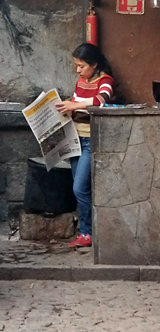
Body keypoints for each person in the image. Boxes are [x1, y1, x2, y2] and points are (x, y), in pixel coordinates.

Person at [56, 42, 114, 249]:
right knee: (80, 188)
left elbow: (101, 100)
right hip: (75, 139)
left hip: (91, 140)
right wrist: (67, 108)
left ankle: (88, 232)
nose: (78, 70)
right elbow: (76, 105)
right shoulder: (81, 82)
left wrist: (75, 105)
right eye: (76, 66)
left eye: (82, 66)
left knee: (79, 188)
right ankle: (87, 230)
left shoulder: (105, 80)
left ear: (94, 64)